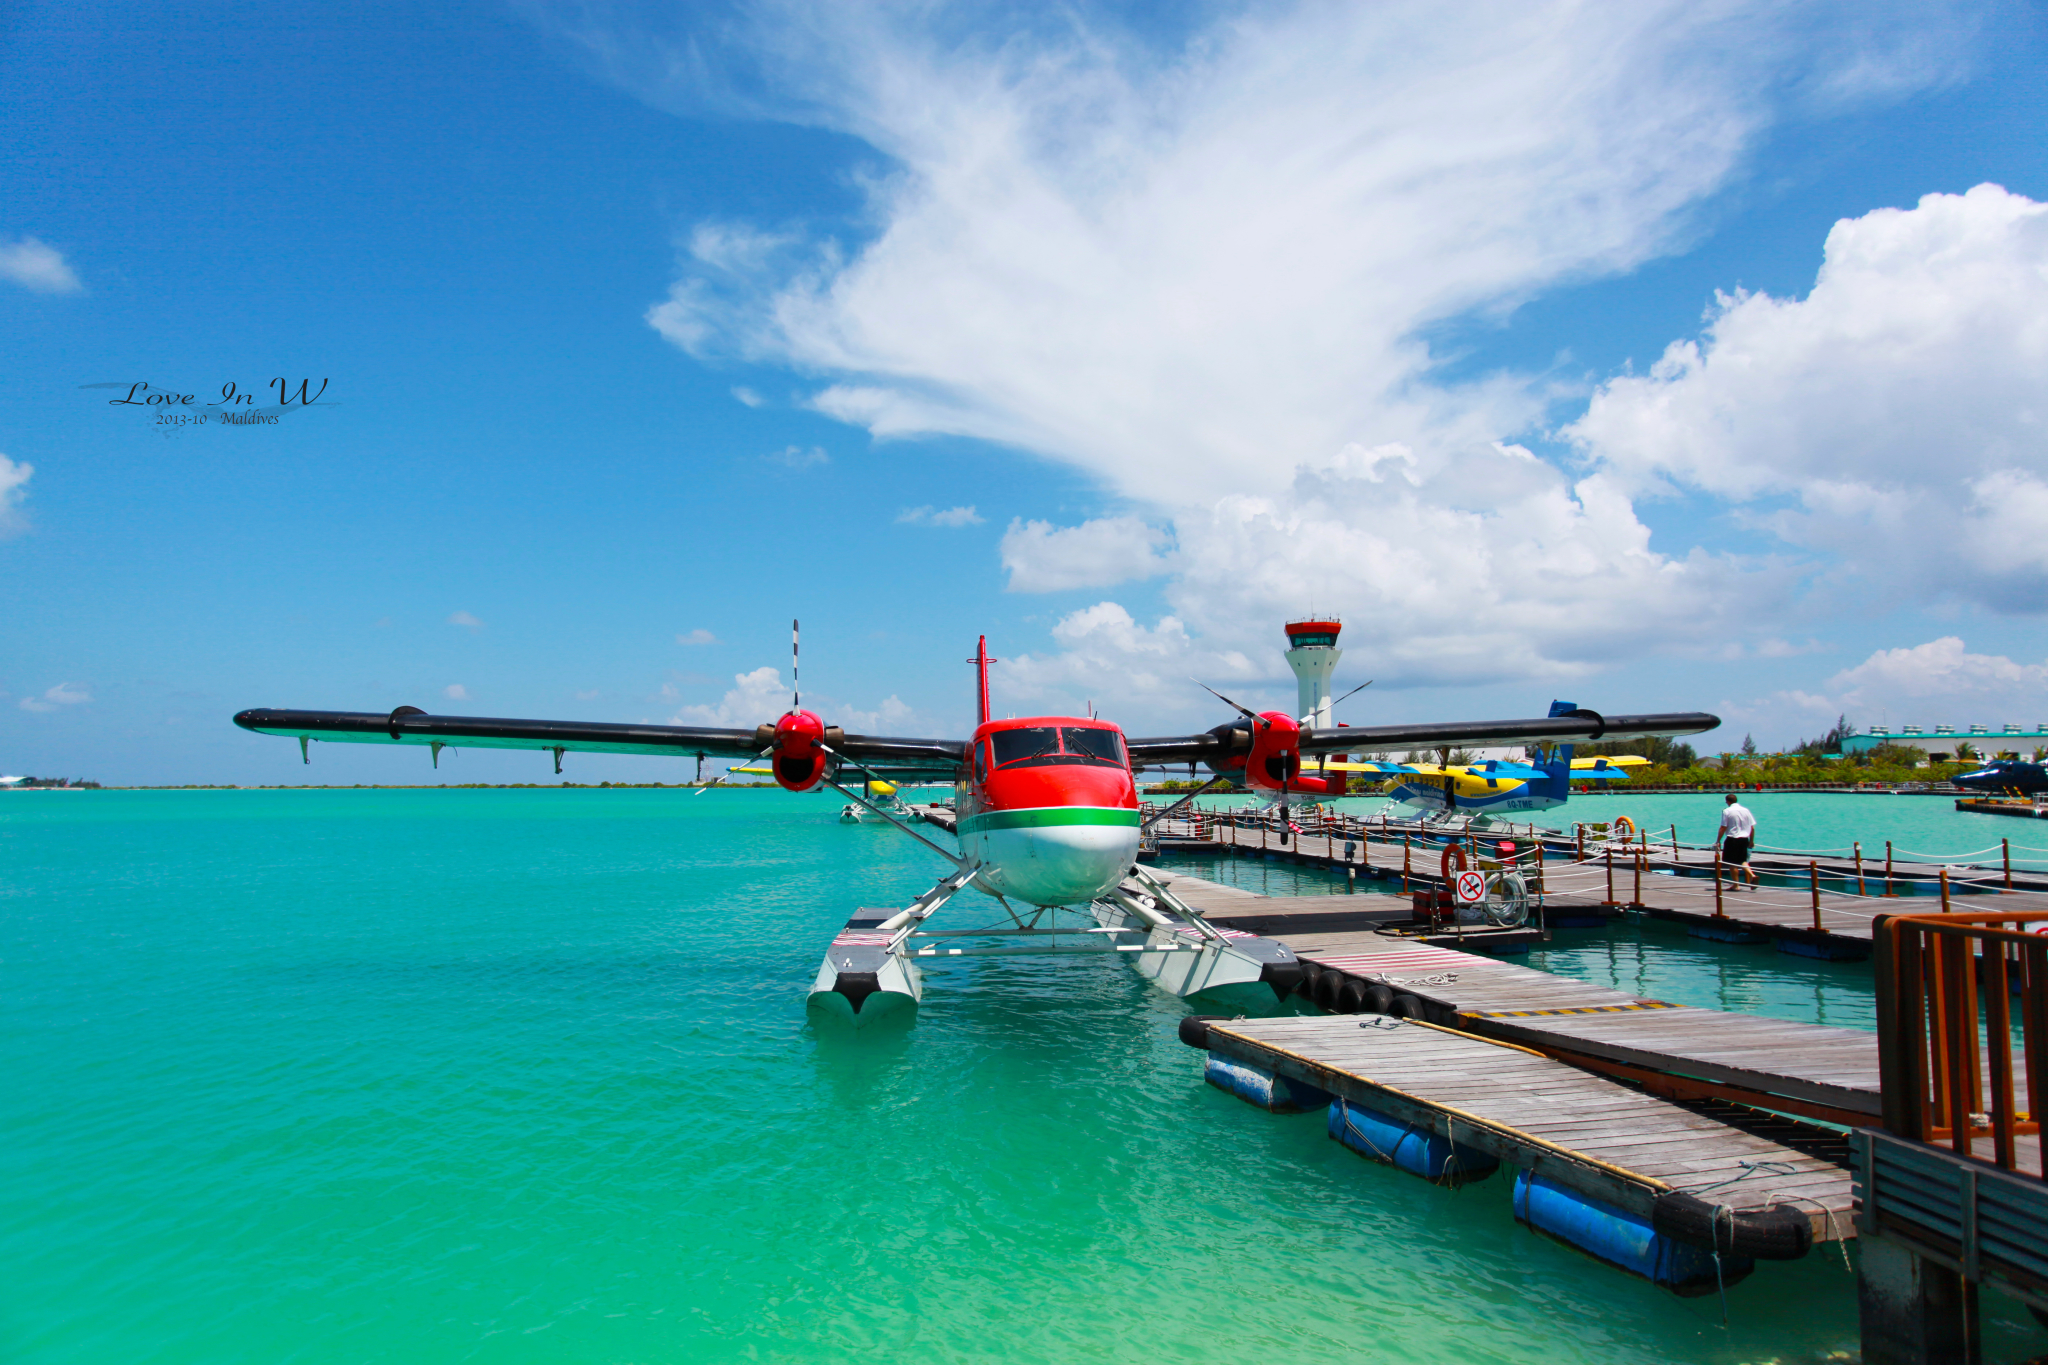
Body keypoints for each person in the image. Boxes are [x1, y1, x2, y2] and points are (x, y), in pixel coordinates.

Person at [1716, 793, 1758, 889]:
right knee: (1742, 860)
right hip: (1744, 839)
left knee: (1732, 862)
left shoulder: (1727, 811)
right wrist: (1751, 841)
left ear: (1728, 801)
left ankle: (1736, 885)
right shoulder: (1746, 810)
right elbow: (1752, 827)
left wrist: (1718, 840)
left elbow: (1723, 827)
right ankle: (1753, 875)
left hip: (1732, 839)